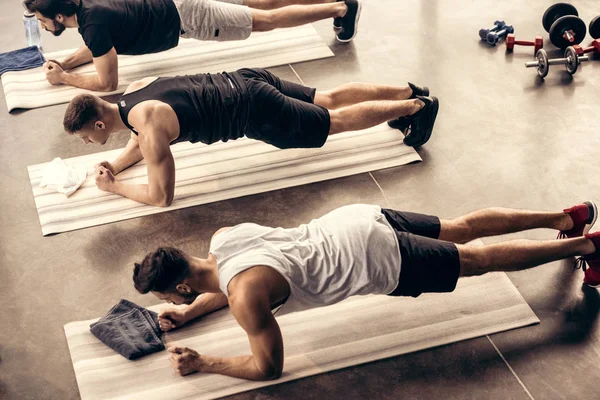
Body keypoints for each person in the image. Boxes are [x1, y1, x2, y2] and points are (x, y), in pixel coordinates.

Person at [132, 200, 600, 380]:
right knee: (460, 227)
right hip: (355, 219)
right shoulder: (222, 241)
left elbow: (267, 366)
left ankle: (587, 244)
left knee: (476, 261)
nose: (173, 304)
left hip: (377, 258)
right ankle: (565, 218)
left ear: (178, 285)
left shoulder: (245, 299)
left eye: (172, 299)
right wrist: (192, 313)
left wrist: (205, 362)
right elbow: (236, 279)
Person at [62, 67, 439, 206]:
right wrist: (115, 164)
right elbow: (139, 141)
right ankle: (405, 90)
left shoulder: (149, 126)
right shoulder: (134, 93)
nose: (85, 145)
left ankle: (416, 109)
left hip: (256, 111)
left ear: (97, 125)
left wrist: (114, 189)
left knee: (333, 120)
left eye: (83, 138)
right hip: (246, 79)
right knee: (328, 97)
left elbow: (161, 197)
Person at [23, 0, 362, 91]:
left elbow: (108, 83)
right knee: (263, 2)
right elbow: (100, 48)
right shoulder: (89, 9)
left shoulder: (93, 26)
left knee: (265, 22)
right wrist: (67, 64)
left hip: (191, 16)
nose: (39, 23)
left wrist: (64, 80)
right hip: (178, 3)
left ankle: (341, 7)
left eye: (41, 18)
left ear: (59, 15)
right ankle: (335, 1)